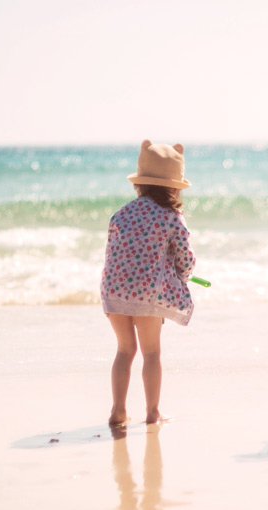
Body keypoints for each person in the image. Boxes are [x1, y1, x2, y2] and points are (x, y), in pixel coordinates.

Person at [101, 140, 196, 426]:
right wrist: (183, 277)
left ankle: (118, 410)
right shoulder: (171, 216)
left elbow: (111, 251)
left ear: (139, 184)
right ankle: (152, 412)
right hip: (148, 293)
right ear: (175, 187)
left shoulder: (122, 213)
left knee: (124, 350)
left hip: (114, 289)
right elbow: (185, 258)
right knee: (151, 352)